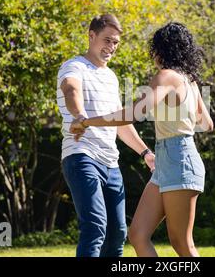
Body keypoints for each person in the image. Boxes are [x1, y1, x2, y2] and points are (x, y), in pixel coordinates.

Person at [70, 22, 214, 257]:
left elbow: (134, 113)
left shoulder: (166, 77)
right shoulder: (189, 80)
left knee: (181, 242)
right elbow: (207, 124)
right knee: (137, 234)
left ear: (161, 50)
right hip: (168, 159)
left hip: (180, 159)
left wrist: (87, 121)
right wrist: (179, 114)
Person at [57, 14, 155, 257]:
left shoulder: (111, 77)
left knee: (117, 232)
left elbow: (119, 123)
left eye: (116, 43)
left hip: (111, 164)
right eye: (107, 40)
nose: (111, 47)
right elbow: (71, 90)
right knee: (95, 226)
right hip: (82, 156)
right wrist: (80, 115)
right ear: (91, 36)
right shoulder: (74, 66)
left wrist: (145, 152)